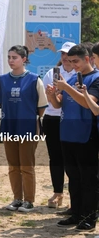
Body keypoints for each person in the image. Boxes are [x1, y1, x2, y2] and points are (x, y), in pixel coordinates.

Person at [47, 44, 99, 231]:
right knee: (73, 178)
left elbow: (88, 104)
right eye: (69, 61)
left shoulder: (96, 79)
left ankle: (89, 217)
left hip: (86, 135)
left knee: (88, 179)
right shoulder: (70, 79)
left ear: (87, 59)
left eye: (76, 61)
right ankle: (75, 212)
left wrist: (67, 88)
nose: (73, 65)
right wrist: (52, 96)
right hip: (67, 135)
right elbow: (59, 104)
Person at [0, 45, 47, 213]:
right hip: (9, 127)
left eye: (15, 57)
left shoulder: (34, 79)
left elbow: (41, 107)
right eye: (9, 57)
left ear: (24, 59)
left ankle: (29, 201)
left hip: (28, 128)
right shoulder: (2, 80)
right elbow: (1, 104)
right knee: (13, 166)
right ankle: (17, 199)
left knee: (27, 166)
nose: (11, 60)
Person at [41, 41, 76, 209]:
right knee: (55, 157)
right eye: (63, 53)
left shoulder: (79, 74)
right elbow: (49, 100)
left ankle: (75, 196)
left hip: (71, 120)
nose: (65, 57)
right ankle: (57, 192)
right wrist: (51, 95)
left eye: (69, 54)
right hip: (52, 118)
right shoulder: (52, 73)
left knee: (72, 158)